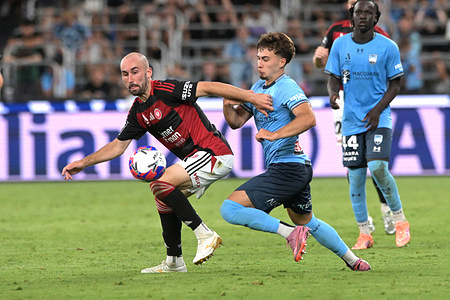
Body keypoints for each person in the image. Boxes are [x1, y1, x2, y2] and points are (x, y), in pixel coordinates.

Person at [62, 52, 273, 273]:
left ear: (148, 72)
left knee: (159, 184)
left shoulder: (166, 90)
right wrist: (84, 163)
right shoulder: (138, 112)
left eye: (135, 72)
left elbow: (208, 87)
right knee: (164, 199)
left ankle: (205, 235)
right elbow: (118, 145)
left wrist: (251, 97)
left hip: (213, 152)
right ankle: (174, 261)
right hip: (197, 158)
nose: (130, 79)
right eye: (125, 74)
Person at [221, 32, 371, 271]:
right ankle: (355, 262)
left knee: (229, 209)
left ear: (281, 62)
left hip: (287, 168)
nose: (259, 63)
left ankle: (291, 233)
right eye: (258, 57)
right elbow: (237, 121)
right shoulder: (258, 87)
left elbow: (308, 118)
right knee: (309, 221)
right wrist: (227, 104)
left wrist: (274, 134)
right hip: (295, 168)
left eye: (266, 58)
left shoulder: (287, 87)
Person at [324, 0, 411, 249]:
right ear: (351, 16)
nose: (363, 16)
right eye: (358, 12)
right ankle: (364, 233)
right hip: (351, 120)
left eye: (368, 12)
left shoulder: (388, 46)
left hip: (379, 117)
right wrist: (332, 94)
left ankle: (400, 221)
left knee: (379, 167)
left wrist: (377, 109)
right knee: (356, 177)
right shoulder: (340, 44)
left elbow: (396, 83)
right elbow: (333, 77)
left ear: (376, 18)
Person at [312, 0, 395, 235]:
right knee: (353, 161)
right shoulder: (335, 30)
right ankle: (365, 219)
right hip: (344, 105)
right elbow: (322, 64)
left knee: (375, 162)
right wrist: (318, 58)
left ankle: (386, 209)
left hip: (370, 103)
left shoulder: (379, 33)